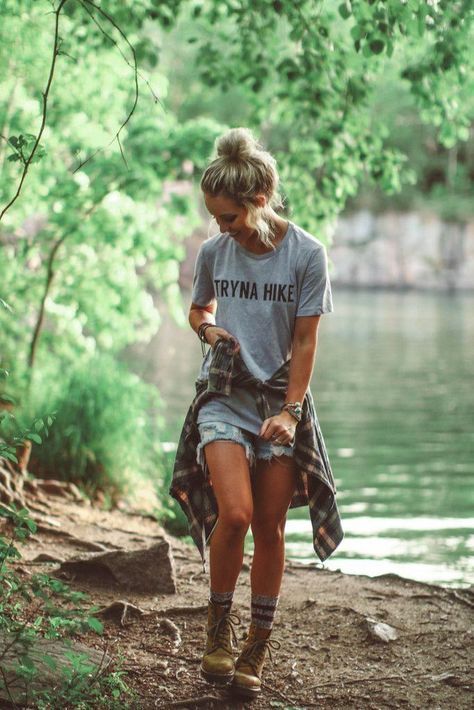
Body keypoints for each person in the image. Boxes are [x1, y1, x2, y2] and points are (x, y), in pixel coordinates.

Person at [170, 127, 343, 699]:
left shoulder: (307, 255)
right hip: (225, 394)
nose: (221, 229)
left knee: (270, 526)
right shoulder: (216, 251)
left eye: (229, 217)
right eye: (215, 217)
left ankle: (255, 645)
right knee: (237, 514)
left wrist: (292, 412)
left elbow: (307, 342)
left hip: (280, 400)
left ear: (260, 200)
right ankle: (216, 632)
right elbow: (198, 309)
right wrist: (207, 326)